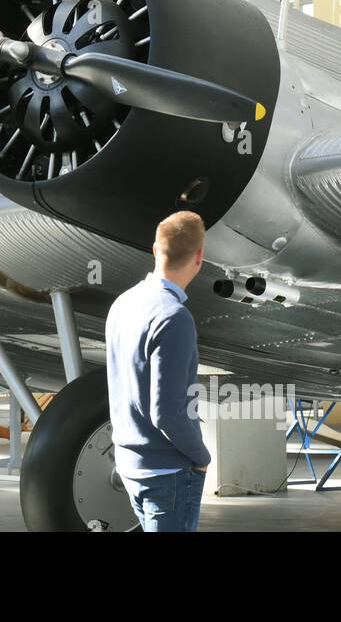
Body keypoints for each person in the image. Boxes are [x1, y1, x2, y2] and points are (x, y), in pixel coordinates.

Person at [105, 211, 211, 532]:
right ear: (199, 257)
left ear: (155, 250)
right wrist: (201, 456)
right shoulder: (174, 316)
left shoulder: (123, 303)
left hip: (129, 462)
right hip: (167, 471)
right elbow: (166, 412)